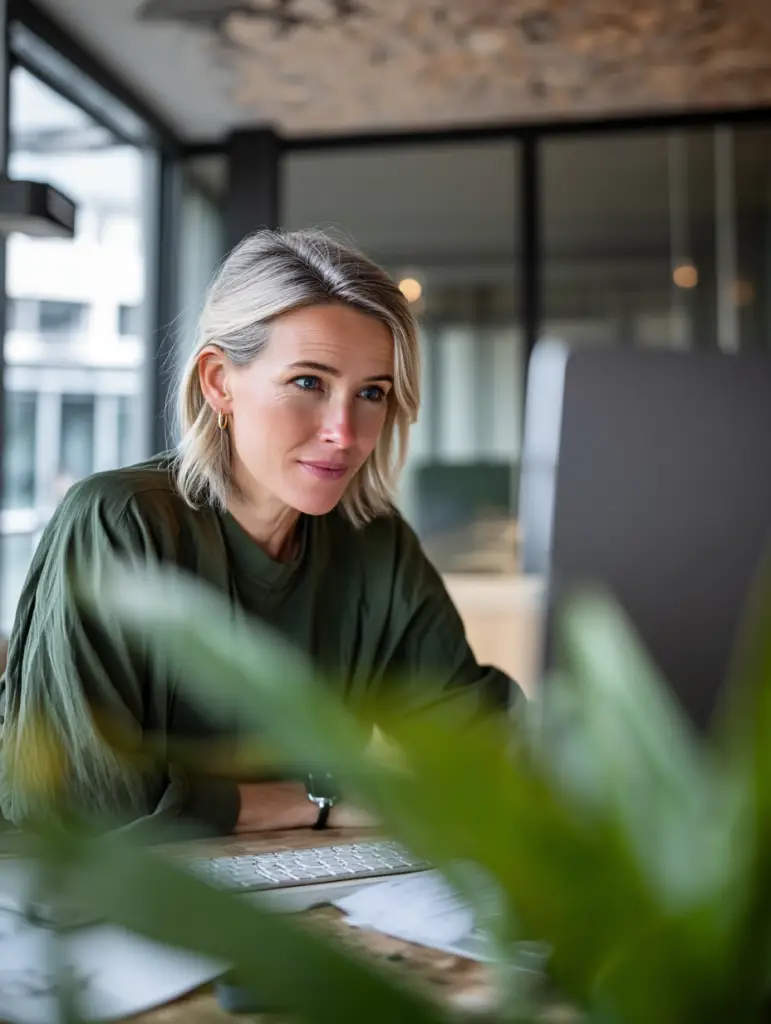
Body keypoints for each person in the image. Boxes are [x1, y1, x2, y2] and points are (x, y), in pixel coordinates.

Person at [0, 229, 514, 837]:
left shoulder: (374, 541)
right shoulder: (118, 522)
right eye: (308, 383)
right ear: (219, 381)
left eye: (371, 393)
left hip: (299, 873)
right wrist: (314, 802)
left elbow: (479, 737)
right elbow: (75, 799)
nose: (344, 432)